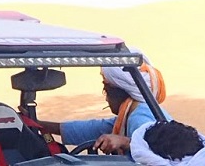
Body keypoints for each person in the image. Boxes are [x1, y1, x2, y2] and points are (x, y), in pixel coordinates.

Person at [37, 57, 166, 154]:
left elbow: (160, 148)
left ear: (118, 93)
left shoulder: (139, 117)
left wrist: (125, 142)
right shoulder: (128, 115)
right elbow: (92, 129)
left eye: (106, 90)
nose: (105, 96)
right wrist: (37, 124)